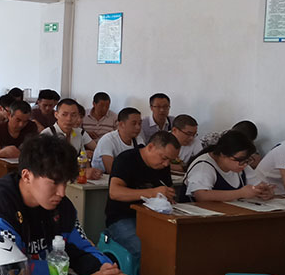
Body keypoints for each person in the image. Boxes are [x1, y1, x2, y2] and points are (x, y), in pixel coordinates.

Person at [0, 135, 128, 275]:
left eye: (65, 183)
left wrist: (106, 270)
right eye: (54, 183)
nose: (62, 192)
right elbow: (9, 270)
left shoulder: (62, 206)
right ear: (27, 176)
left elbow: (81, 248)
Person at [105, 131, 180, 265]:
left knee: (175, 247)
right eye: (164, 158)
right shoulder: (126, 159)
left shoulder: (162, 166)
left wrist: (168, 197)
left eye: (170, 160)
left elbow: (166, 190)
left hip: (153, 218)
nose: (166, 164)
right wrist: (151, 192)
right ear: (150, 147)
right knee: (146, 251)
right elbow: (114, 192)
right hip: (123, 218)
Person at [183, 131, 272, 202]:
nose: (245, 165)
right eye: (240, 160)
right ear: (223, 154)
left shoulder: (242, 165)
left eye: (247, 160)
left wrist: (264, 192)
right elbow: (201, 195)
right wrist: (240, 193)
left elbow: (257, 185)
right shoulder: (204, 166)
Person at [91, 107, 144, 175]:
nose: (138, 127)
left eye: (140, 123)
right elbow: (111, 169)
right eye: (134, 124)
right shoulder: (108, 140)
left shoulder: (139, 140)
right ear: (121, 124)